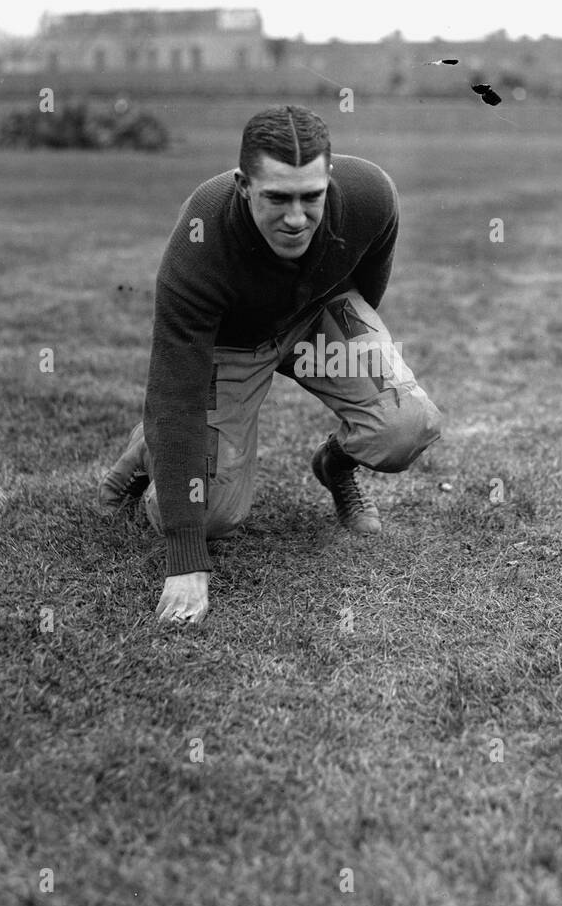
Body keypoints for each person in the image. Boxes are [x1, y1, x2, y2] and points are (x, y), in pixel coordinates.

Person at [100, 104, 442, 625]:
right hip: (234, 345)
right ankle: (151, 448)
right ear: (243, 185)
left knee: (406, 424)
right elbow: (175, 392)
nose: (297, 218)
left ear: (329, 179)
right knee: (212, 513)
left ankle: (336, 465)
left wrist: (349, 354)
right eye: (277, 198)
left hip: (317, 314)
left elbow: (368, 280)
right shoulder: (200, 244)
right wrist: (186, 561)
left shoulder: (372, 194)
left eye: (312, 197)